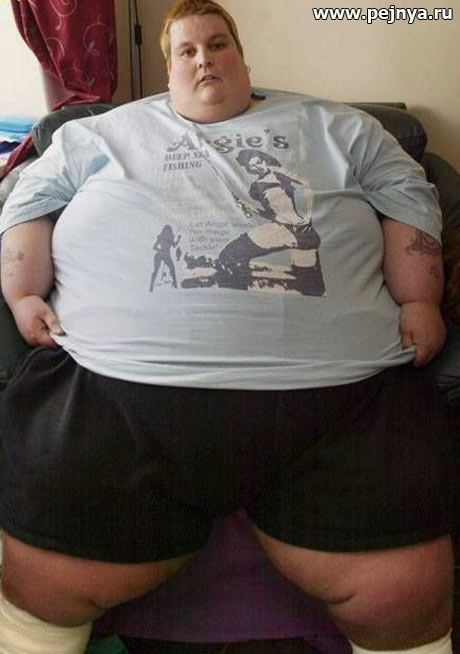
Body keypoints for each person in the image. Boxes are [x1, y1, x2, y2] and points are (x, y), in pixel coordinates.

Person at [0, 1, 454, 653]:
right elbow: (27, 203)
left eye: (217, 44)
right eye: (186, 50)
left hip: (341, 393)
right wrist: (21, 293)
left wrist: (420, 299)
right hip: (115, 389)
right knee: (43, 584)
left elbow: (409, 198)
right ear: (168, 69)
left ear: (241, 55)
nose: (204, 59)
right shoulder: (96, 134)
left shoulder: (342, 127)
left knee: (403, 593)